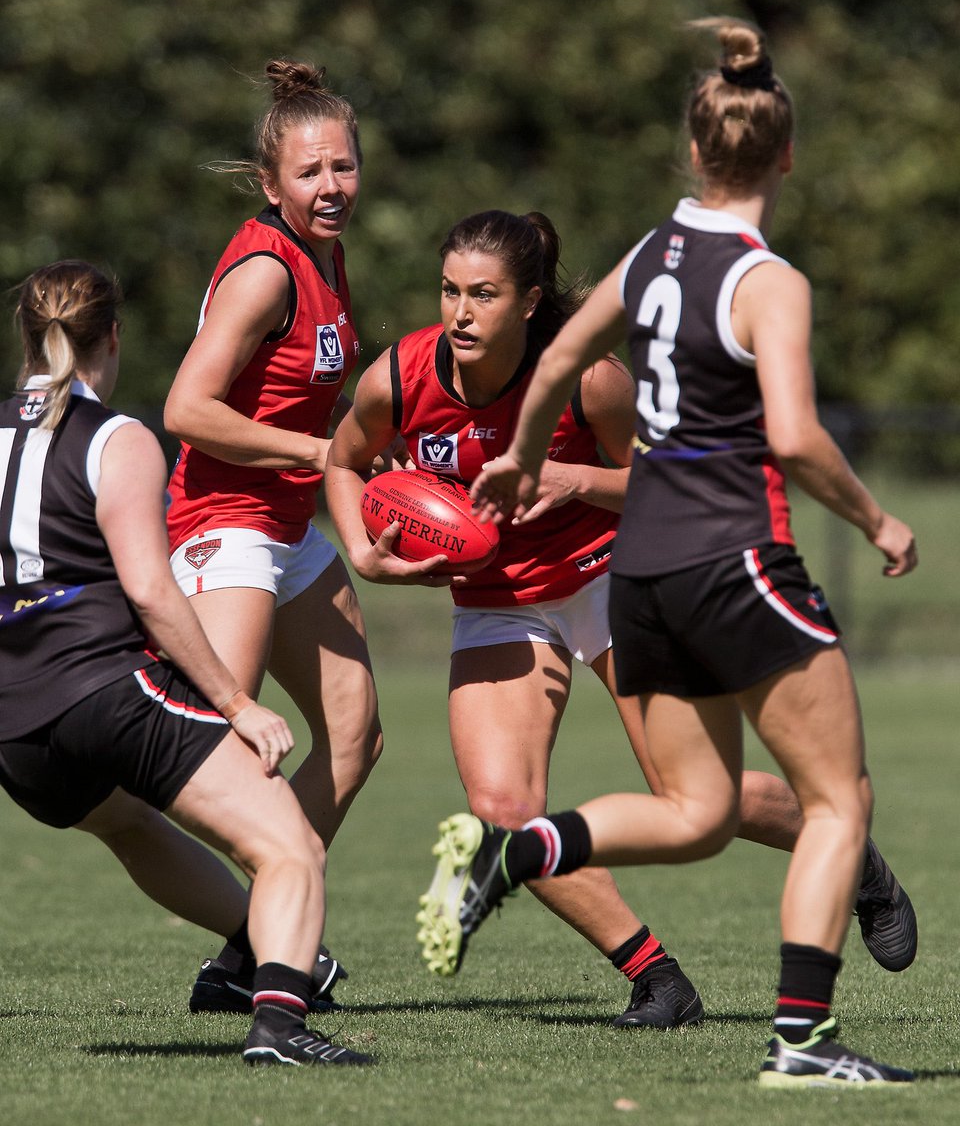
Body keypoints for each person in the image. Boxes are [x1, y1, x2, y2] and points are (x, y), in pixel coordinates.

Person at [425, 20, 919, 1087]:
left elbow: (559, 352)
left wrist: (515, 457)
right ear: (786, 156)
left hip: (638, 573)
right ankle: (803, 1042)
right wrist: (876, 519)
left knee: (696, 814)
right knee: (841, 802)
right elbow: (791, 435)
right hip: (736, 557)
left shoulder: (652, 252)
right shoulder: (766, 278)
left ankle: (521, 848)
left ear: (695, 154)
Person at [324, 208, 914, 1032]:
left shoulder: (589, 380)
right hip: (499, 603)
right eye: (450, 290)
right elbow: (343, 458)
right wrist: (361, 547)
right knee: (503, 813)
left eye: (483, 295)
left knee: (694, 798)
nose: (460, 312)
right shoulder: (402, 377)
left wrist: (572, 479)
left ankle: (858, 865)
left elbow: (670, 479)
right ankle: (657, 978)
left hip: (615, 582)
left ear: (528, 303)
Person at [0, 260, 373, 1067]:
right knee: (289, 847)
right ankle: (277, 1024)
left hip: (16, 730)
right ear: (113, 337)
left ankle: (253, 944)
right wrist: (237, 703)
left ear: (24, 337)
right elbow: (152, 590)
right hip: (106, 689)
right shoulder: (116, 436)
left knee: (128, 824)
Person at [163, 60, 382, 1012]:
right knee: (217, 758)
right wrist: (319, 449)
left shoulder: (326, 252)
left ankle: (258, 942)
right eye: (310, 173)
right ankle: (263, 942)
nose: (330, 187)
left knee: (355, 731)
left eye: (343, 167)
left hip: (287, 525)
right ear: (271, 183)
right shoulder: (264, 268)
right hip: (226, 526)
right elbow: (186, 409)